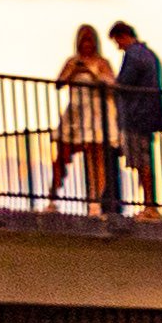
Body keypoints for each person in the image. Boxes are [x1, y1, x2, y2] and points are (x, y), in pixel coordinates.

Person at [52, 20, 121, 216]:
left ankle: (95, 199)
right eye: (84, 40)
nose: (87, 44)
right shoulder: (72, 61)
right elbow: (59, 82)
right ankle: (53, 197)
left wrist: (91, 72)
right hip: (76, 114)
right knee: (62, 156)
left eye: (90, 40)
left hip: (96, 115)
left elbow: (111, 84)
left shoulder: (102, 63)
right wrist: (75, 70)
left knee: (96, 157)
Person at [107, 15, 162, 215]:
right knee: (143, 160)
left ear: (123, 36)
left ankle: (149, 205)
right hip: (148, 113)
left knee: (141, 162)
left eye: (117, 41)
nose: (118, 46)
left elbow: (124, 83)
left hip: (136, 115)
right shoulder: (149, 53)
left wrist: (109, 85)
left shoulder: (133, 55)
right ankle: (149, 205)